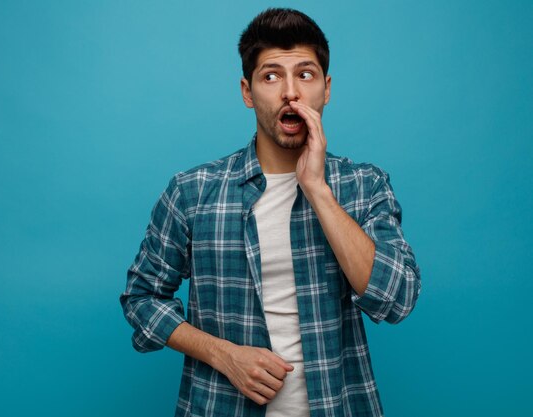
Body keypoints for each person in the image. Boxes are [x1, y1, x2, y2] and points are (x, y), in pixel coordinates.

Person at [120, 8, 421, 417]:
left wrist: (317, 189)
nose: (290, 93)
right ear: (247, 92)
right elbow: (141, 298)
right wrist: (223, 354)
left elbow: (396, 299)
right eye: (271, 76)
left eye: (306, 74)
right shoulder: (193, 192)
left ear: (326, 89)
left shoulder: (364, 185)